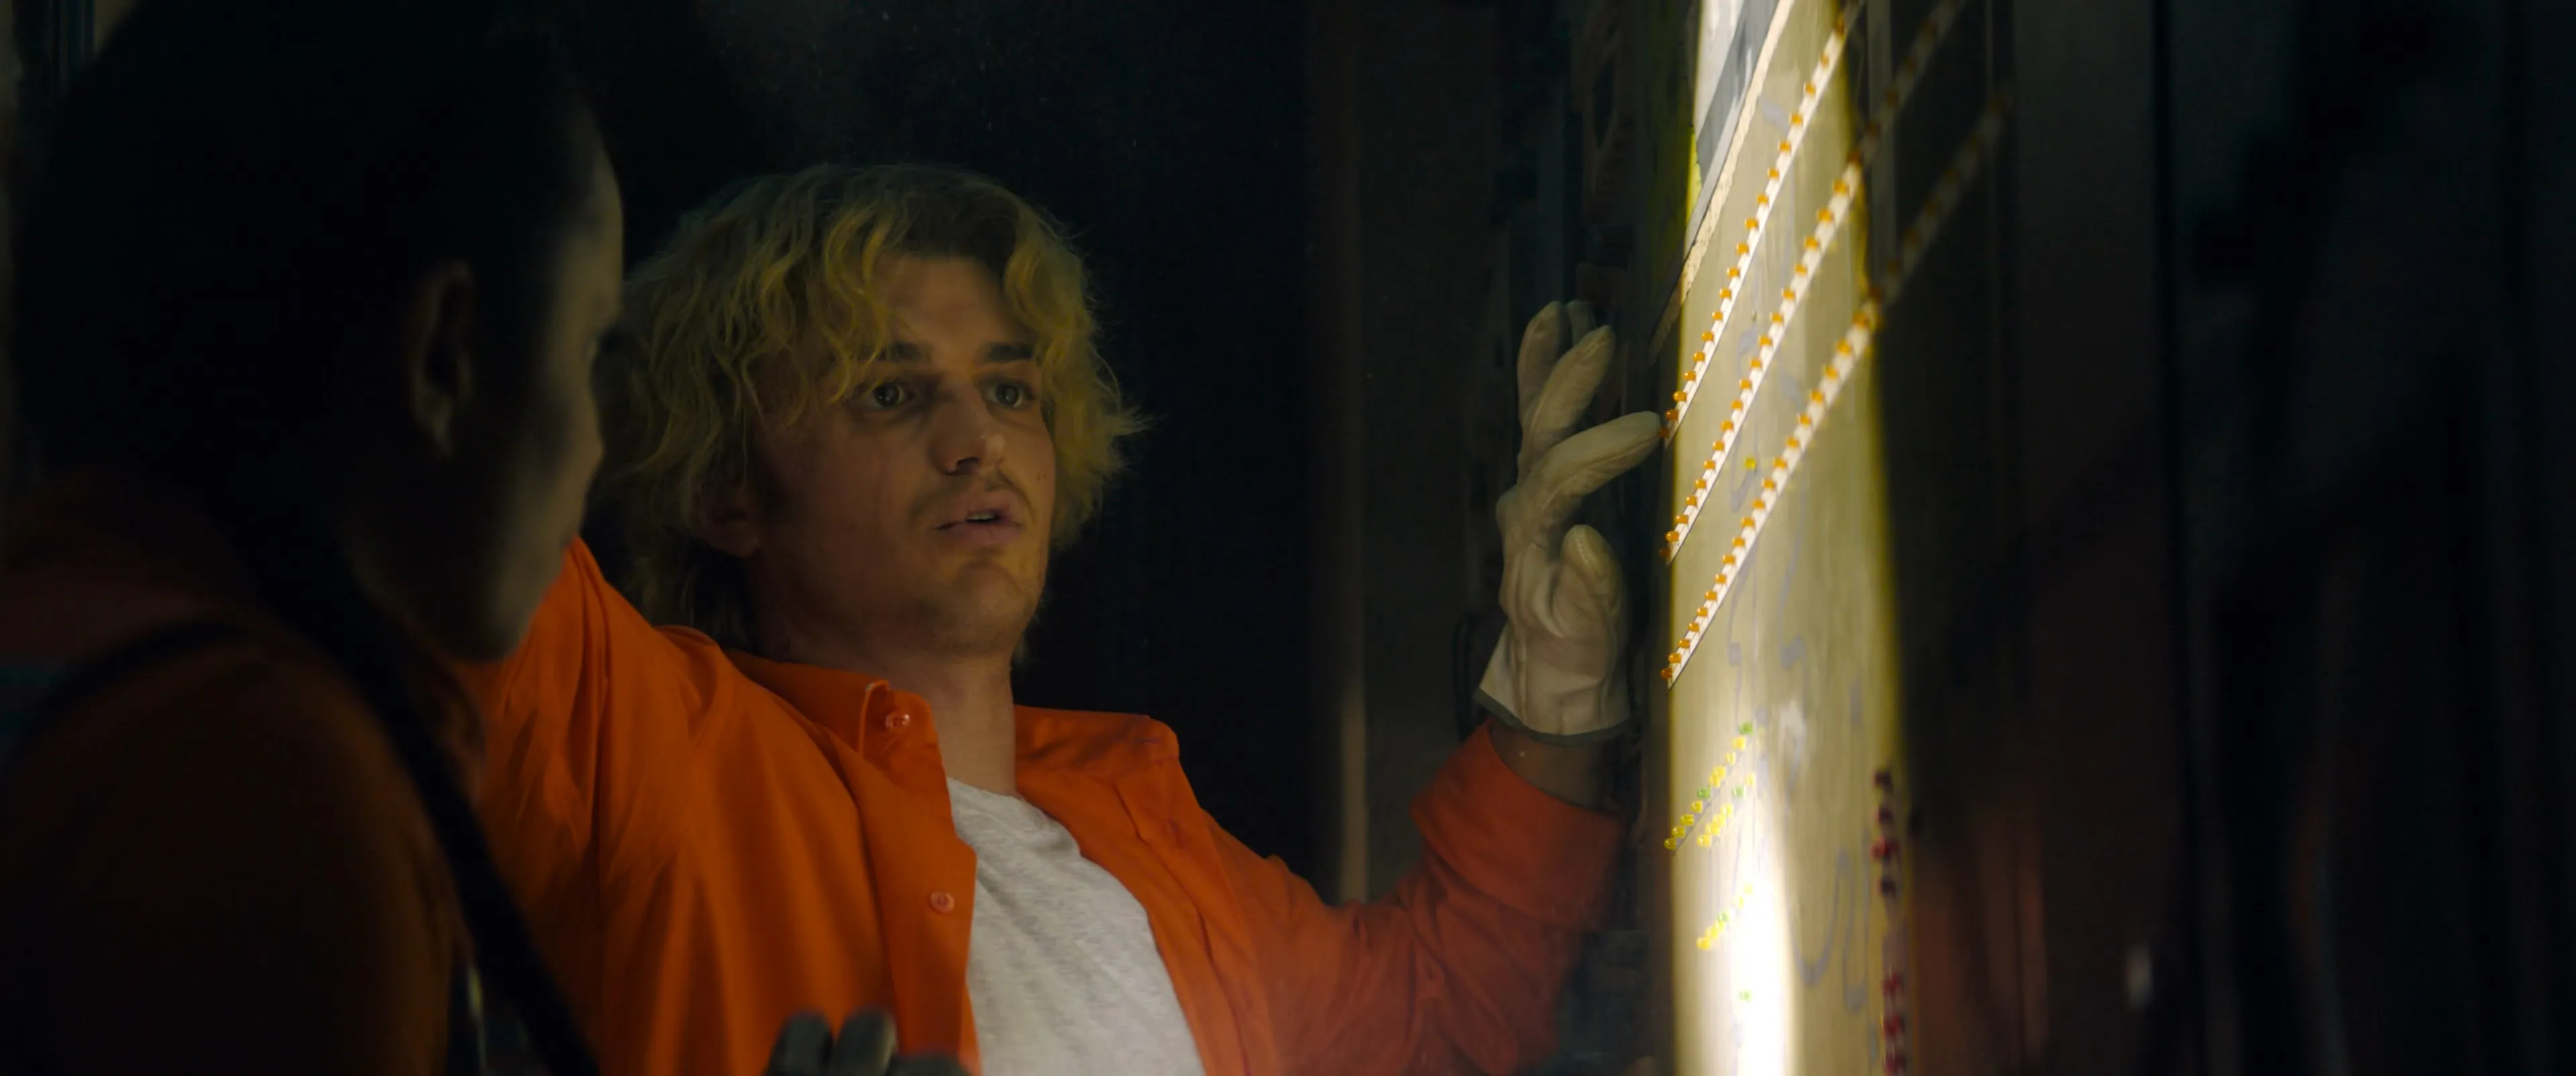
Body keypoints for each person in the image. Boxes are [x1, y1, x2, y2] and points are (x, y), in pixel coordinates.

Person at [470, 163, 1661, 1076]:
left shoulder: (1143, 834)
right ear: (726, 487)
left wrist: (1556, 695)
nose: (978, 440)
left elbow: (1437, 1017)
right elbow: (438, 471)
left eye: (1009, 388)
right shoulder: (651, 749)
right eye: (890, 392)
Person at [0, 5, 962, 1076]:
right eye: (587, 351)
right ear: (446, 356)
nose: (596, 443)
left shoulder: (69, 660)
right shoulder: (266, 784)